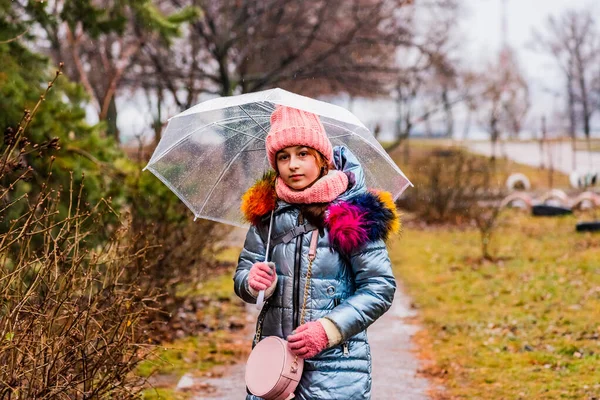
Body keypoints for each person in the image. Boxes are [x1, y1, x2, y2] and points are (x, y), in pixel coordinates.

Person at [234, 105, 399, 400]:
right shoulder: (266, 212)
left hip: (337, 367)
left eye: (303, 154)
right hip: (276, 364)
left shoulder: (353, 213)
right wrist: (252, 282)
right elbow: (244, 273)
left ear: (322, 159)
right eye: (283, 157)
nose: (293, 165)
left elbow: (380, 287)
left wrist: (328, 329)